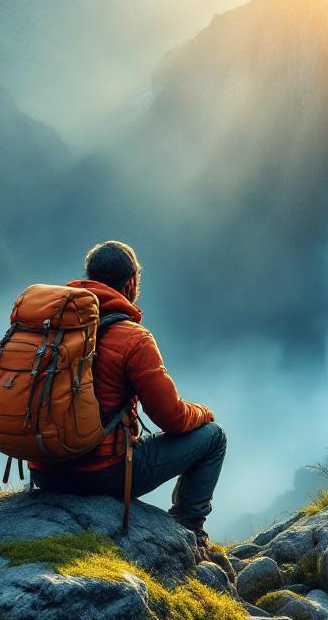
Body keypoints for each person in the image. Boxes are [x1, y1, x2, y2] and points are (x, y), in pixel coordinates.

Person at [29, 240, 232, 573]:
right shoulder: (133, 338)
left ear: (89, 278)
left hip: (45, 469)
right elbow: (173, 419)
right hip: (102, 474)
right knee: (213, 437)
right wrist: (203, 412)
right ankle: (188, 529)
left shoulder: (51, 325)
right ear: (131, 285)